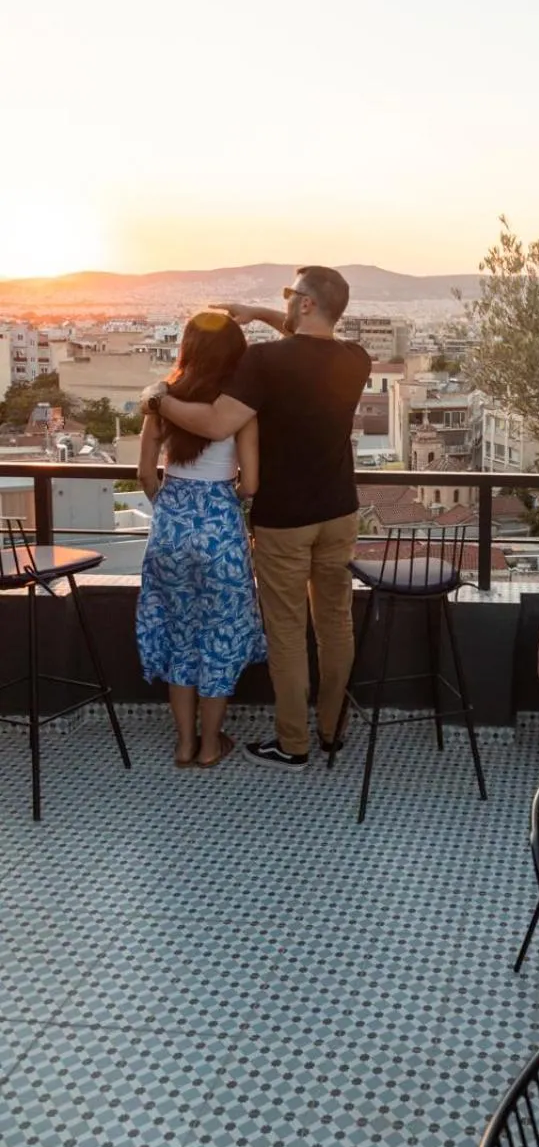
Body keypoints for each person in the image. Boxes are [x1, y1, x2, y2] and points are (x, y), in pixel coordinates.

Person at [144, 267, 371, 770]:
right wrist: (262, 314)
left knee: (288, 632)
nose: (285, 303)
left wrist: (158, 398)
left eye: (291, 296)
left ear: (307, 303)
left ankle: (293, 743)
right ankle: (332, 729)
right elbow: (309, 347)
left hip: (284, 518)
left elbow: (216, 421)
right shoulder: (356, 359)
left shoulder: (264, 360)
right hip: (340, 511)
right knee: (335, 624)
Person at [136, 311, 267, 768]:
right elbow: (250, 484)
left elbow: (144, 472)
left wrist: (170, 505)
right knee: (219, 638)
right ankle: (211, 745)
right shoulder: (238, 410)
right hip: (220, 533)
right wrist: (220, 499)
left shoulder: (161, 400)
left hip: (170, 527)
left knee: (180, 636)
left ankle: (183, 744)